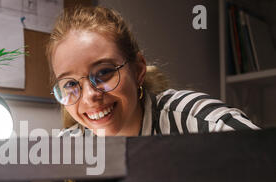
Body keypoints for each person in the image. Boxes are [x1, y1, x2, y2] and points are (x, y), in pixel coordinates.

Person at [46, 6, 259, 138]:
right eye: (71, 84)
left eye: (103, 73)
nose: (90, 96)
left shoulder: (194, 119)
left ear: (138, 69)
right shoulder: (67, 148)